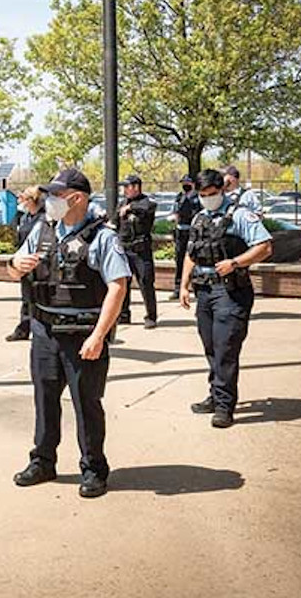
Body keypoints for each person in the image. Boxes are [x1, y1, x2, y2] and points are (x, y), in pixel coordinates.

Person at [6, 167, 129, 498]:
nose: (49, 200)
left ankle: (94, 468)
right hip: (45, 331)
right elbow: (13, 267)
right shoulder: (43, 229)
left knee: (86, 404)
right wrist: (15, 266)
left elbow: (118, 287)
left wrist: (99, 336)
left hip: (82, 334)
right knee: (44, 399)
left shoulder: (103, 237)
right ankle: (43, 461)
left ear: (76, 198)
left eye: (56, 195)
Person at [179, 169, 274, 428]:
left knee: (226, 349)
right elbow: (191, 253)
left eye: (211, 194)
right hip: (205, 291)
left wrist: (235, 262)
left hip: (231, 292)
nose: (207, 198)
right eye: (202, 194)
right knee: (211, 347)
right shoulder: (200, 217)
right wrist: (184, 285)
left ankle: (224, 406)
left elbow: (265, 247)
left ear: (222, 190)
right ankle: (215, 394)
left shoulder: (240, 215)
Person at [117, 174, 158, 328]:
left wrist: (130, 208)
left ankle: (151, 316)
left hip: (141, 252)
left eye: (126, 187)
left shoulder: (146, 202)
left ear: (135, 187)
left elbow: (148, 208)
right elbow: (115, 221)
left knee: (146, 283)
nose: (124, 190)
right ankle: (124, 314)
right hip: (125, 249)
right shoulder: (122, 203)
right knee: (123, 283)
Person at [6, 186, 45, 342]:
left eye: (22, 198)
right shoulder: (24, 217)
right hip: (24, 261)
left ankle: (38, 328)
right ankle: (24, 328)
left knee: (38, 297)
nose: (20, 201)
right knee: (26, 297)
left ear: (31, 200)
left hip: (38, 262)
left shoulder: (43, 218)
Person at [169, 175, 201, 300]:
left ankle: (197, 288)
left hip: (192, 231)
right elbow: (175, 211)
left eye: (187, 182)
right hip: (180, 231)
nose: (185, 185)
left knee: (195, 259)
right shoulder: (179, 197)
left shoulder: (198, 197)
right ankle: (178, 288)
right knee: (180, 260)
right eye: (183, 183)